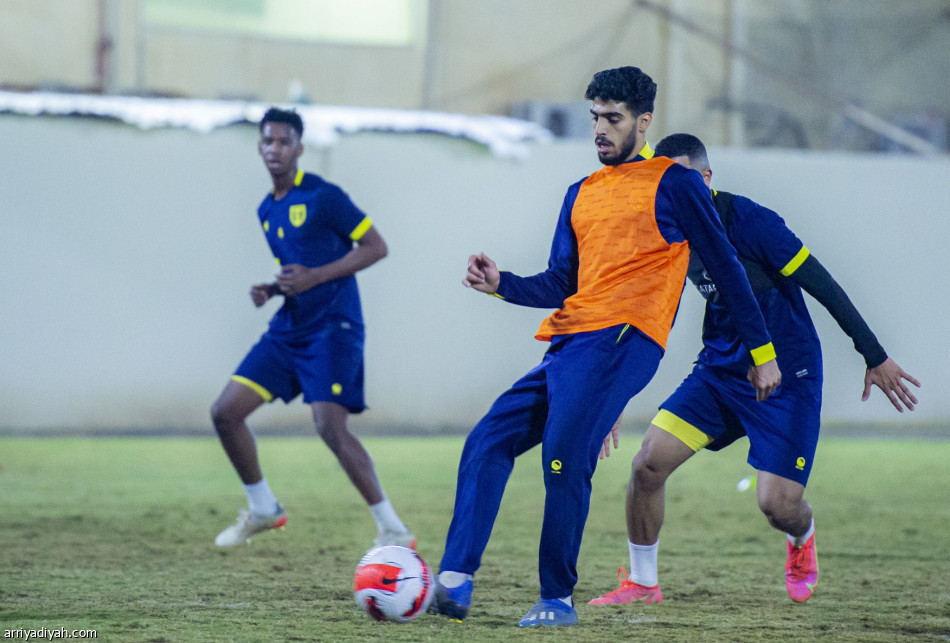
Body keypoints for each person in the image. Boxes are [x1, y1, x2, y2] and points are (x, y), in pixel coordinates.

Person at [429, 68, 782, 628]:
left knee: (562, 457)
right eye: (595, 116)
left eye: (613, 118)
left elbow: (726, 267)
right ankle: (453, 578)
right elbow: (562, 282)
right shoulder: (581, 193)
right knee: (487, 440)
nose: (600, 128)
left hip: (624, 339)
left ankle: (556, 598)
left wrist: (762, 352)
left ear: (643, 122)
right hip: (570, 344)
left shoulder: (675, 182)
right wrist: (504, 284)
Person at [589, 133, 920, 607]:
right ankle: (643, 583)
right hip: (721, 373)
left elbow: (822, 284)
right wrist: (610, 395)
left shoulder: (751, 222)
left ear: (705, 179)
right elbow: (638, 318)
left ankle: (801, 537)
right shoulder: (666, 235)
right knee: (647, 465)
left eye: (680, 181)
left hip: (788, 378)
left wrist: (874, 356)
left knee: (777, 505)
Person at [210, 107, 414, 550]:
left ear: (299, 148)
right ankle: (263, 508)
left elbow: (377, 247)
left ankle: (393, 528)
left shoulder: (324, 197)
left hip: (333, 327)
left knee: (329, 426)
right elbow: (297, 270)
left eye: (284, 141)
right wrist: (274, 288)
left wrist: (313, 278)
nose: (275, 149)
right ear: (259, 148)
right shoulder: (267, 210)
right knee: (225, 413)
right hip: (291, 326)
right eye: (268, 141)